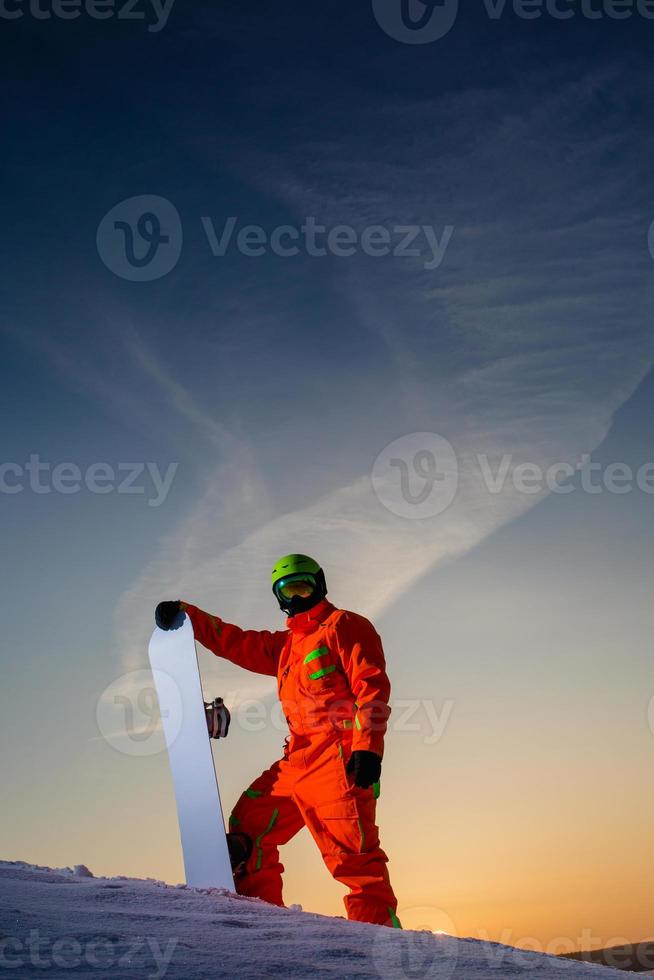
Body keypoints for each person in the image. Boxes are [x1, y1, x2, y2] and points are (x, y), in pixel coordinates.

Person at [155, 553, 401, 928]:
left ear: (319, 585)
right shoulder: (284, 647)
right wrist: (188, 616)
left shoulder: (344, 626)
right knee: (248, 828)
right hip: (295, 762)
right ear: (280, 597)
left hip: (339, 762)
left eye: (305, 586)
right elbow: (234, 642)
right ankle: (265, 926)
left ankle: (379, 943)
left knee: (355, 861)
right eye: (290, 589)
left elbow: (372, 689)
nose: (299, 596)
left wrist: (368, 748)